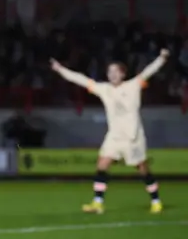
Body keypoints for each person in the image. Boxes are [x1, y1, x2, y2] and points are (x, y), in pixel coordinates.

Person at [50, 49, 170, 214]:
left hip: (132, 137)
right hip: (114, 136)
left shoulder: (133, 85)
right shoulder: (104, 89)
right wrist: (60, 69)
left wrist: (162, 58)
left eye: (115, 71)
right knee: (102, 165)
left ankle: (156, 201)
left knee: (143, 169)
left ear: (122, 74)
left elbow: (149, 71)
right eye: (109, 71)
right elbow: (82, 80)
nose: (111, 74)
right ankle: (98, 203)